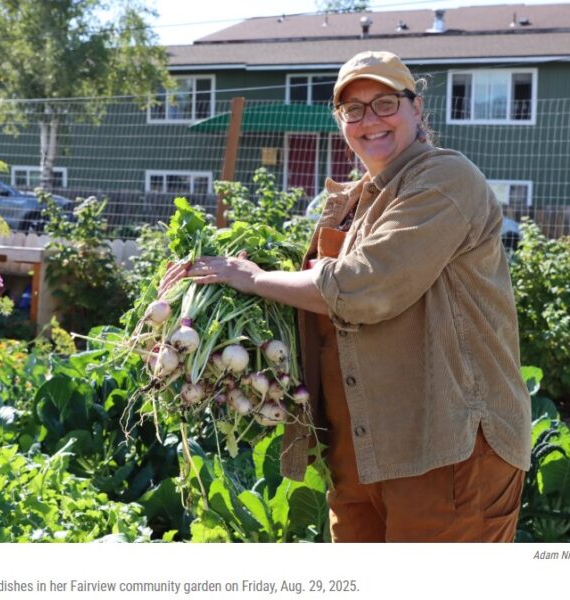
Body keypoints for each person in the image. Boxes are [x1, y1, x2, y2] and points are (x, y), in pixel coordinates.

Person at [159, 50, 531, 543]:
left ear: (416, 109)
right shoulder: (357, 199)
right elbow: (314, 298)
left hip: (447, 448)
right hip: (361, 450)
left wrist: (249, 278)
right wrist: (210, 293)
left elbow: (365, 287)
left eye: (383, 103)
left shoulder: (444, 179)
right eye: (352, 110)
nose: (368, 120)